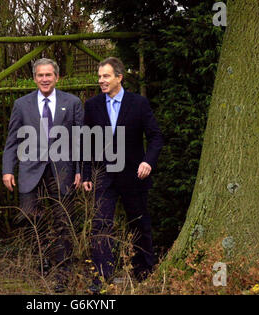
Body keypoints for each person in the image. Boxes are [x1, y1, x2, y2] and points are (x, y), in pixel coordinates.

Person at [82, 57, 164, 290]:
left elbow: (156, 137)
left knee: (139, 224)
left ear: (119, 77)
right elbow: (86, 142)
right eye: (99, 77)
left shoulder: (138, 103)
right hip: (103, 176)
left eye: (106, 76)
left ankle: (144, 273)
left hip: (134, 176)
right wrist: (87, 174)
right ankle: (101, 277)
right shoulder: (93, 105)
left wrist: (148, 162)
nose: (101, 81)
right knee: (100, 225)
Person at [2, 58, 83, 291]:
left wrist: (79, 170)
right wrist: (8, 169)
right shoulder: (21, 104)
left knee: (63, 220)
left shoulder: (73, 102)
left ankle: (64, 270)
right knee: (29, 217)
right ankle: (42, 261)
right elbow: (12, 141)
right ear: (35, 78)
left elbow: (79, 141)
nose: (45, 79)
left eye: (49, 75)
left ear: (57, 77)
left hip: (63, 169)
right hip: (29, 168)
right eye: (40, 75)